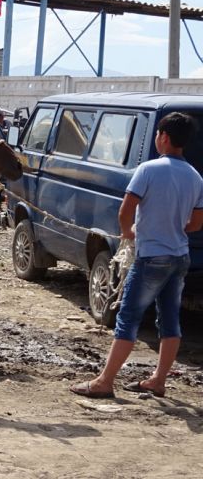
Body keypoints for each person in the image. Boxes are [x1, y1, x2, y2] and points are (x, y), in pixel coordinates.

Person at [70, 112, 203, 399]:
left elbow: (125, 210)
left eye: (158, 134)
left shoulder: (148, 170)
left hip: (151, 256)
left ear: (164, 137)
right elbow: (195, 224)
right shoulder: (195, 177)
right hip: (180, 257)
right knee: (170, 319)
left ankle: (105, 381)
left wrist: (129, 233)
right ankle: (158, 380)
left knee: (128, 317)